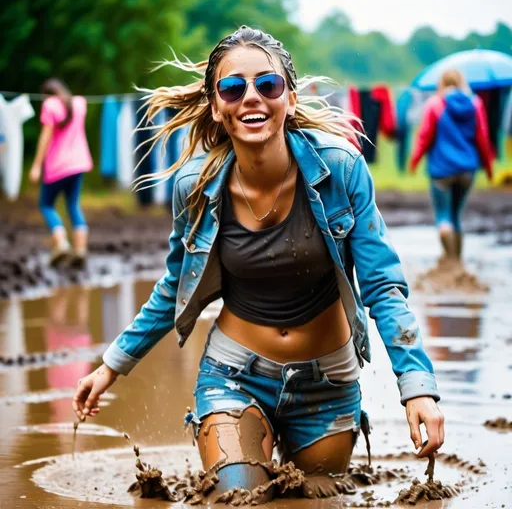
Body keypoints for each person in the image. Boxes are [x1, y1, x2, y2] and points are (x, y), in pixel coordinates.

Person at [73, 26, 444, 500]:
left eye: (267, 85)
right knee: (236, 497)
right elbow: (173, 287)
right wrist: (111, 366)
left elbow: (382, 286)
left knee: (312, 497)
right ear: (215, 105)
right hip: (234, 375)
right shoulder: (195, 187)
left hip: (327, 384)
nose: (251, 98)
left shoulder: (343, 170)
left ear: (288, 97)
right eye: (233, 87)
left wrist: (417, 388)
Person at [410, 69, 493, 262]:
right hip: (467, 170)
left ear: (442, 83)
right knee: (456, 215)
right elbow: (482, 138)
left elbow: (425, 136)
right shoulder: (476, 104)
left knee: (443, 216)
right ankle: (458, 263)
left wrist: (414, 160)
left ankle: (450, 261)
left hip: (441, 170)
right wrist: (488, 167)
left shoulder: (435, 105)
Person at [29, 78, 93, 268]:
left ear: (47, 94)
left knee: (46, 204)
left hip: (58, 165)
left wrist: (36, 165)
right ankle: (80, 250)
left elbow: (45, 137)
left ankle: (62, 244)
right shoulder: (79, 103)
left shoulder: (50, 105)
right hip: (79, 162)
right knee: (73, 205)